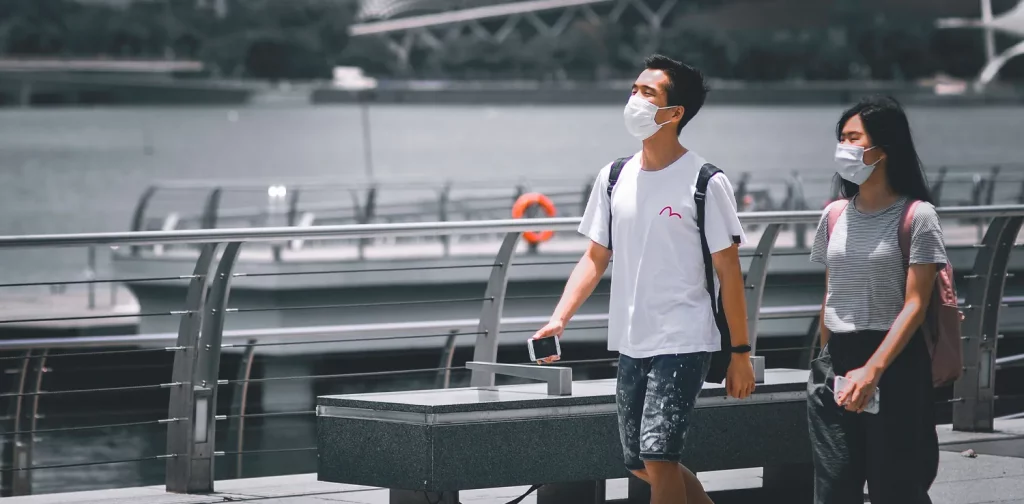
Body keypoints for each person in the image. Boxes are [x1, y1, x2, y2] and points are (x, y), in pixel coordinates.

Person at [531, 54, 756, 504]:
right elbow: (595, 257)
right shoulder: (614, 177)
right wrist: (560, 318)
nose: (634, 98)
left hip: (684, 338)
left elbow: (729, 274)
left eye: (647, 92)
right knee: (638, 460)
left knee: (659, 455)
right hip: (632, 338)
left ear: (675, 113)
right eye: (634, 89)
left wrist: (740, 353)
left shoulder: (705, 182)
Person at [807, 95, 947, 504]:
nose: (843, 149)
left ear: (882, 149)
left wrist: (874, 369)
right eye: (841, 139)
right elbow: (832, 292)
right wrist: (824, 358)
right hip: (837, 362)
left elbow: (916, 304)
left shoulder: (918, 216)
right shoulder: (833, 215)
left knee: (897, 488)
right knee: (833, 489)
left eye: (853, 138)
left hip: (893, 361)